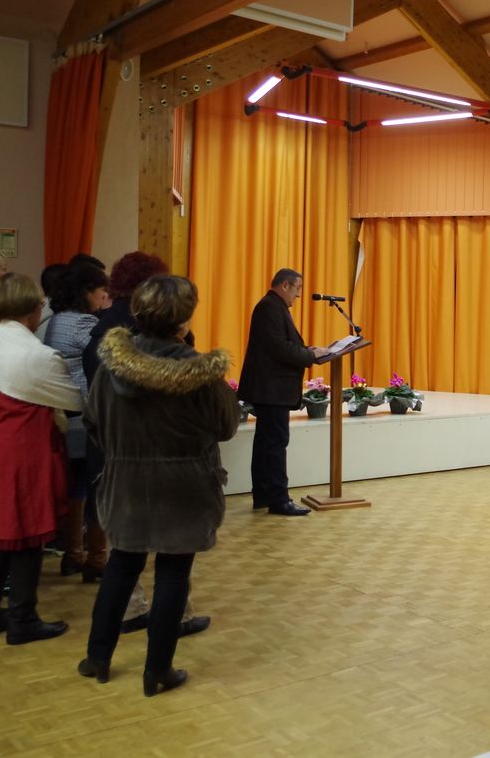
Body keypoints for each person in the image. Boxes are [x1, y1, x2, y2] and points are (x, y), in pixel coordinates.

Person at [79, 275, 239, 694]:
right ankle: (157, 672)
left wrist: (124, 453)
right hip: (185, 488)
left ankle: (98, 658)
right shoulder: (203, 374)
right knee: (173, 573)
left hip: (126, 485)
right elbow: (226, 428)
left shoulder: (111, 367)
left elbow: (93, 423)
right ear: (184, 321)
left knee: (121, 567)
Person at [0, 273, 81, 644]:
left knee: (0, 533)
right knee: (29, 534)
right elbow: (73, 400)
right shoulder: (38, 356)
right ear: (32, 309)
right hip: (27, 449)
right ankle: (22, 618)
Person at [238, 269, 329, 517]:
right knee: (275, 445)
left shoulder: (272, 306)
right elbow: (279, 349)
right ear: (286, 285)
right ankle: (278, 499)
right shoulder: (269, 307)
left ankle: (263, 495)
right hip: (271, 390)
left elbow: (282, 345)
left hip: (271, 389)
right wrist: (310, 355)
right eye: (297, 289)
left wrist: (309, 350)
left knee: (266, 444)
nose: (298, 296)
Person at [45, 261, 112, 580]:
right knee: (97, 485)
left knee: (78, 487)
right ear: (86, 292)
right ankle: (97, 559)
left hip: (65, 414)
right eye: (101, 291)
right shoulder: (84, 324)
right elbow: (108, 356)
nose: (104, 296)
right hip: (85, 415)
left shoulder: (57, 320)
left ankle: (73, 554)